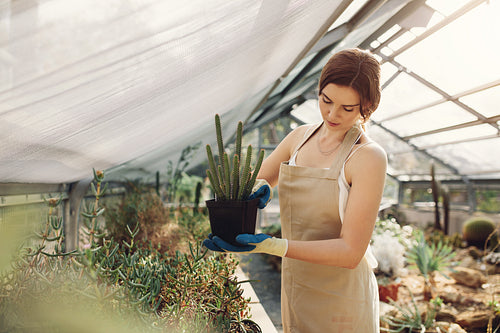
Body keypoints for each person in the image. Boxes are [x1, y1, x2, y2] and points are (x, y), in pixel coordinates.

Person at [204, 48, 387, 332]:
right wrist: (256, 191)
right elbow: (256, 182)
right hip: (296, 284)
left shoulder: (367, 157)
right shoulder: (299, 139)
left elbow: (351, 252)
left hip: (343, 298)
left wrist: (274, 245)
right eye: (326, 100)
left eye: (347, 108)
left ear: (368, 106)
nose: (332, 113)